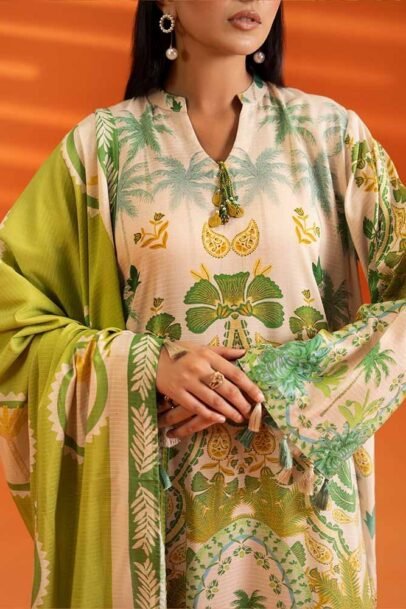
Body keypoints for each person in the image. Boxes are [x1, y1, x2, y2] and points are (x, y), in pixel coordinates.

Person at [0, 0, 405, 607]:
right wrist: (147, 366)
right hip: (163, 522)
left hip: (308, 514)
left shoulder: (330, 136)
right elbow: (12, 315)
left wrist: (289, 377)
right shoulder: (102, 150)